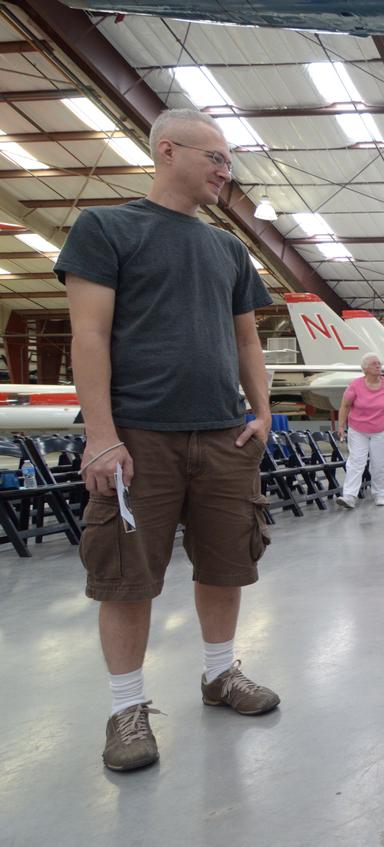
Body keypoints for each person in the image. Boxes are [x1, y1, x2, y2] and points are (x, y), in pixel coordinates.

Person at [58, 108, 279, 773]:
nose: (224, 170)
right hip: (137, 436)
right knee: (126, 576)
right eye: (213, 157)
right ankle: (127, 708)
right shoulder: (106, 228)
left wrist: (263, 413)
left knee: (227, 561)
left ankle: (219, 674)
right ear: (167, 151)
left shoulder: (227, 248)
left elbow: (247, 341)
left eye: (228, 161)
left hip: (222, 435)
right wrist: (101, 435)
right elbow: (88, 336)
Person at [334, 352, 384, 509]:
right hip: (358, 429)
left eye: (379, 364)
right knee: (356, 461)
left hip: (382, 429)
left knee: (380, 463)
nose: (378, 366)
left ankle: (380, 494)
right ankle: (349, 496)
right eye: (374, 364)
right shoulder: (355, 385)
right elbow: (345, 406)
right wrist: (341, 426)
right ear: (365, 368)